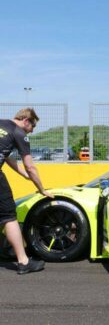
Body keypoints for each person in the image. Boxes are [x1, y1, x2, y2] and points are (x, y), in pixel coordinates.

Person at [0, 108, 53, 274]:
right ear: (26, 121)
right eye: (33, 126)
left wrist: (23, 175)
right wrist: (41, 189)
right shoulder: (19, 133)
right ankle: (23, 261)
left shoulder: (2, 125)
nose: (32, 130)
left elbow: (6, 156)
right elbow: (30, 166)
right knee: (8, 216)